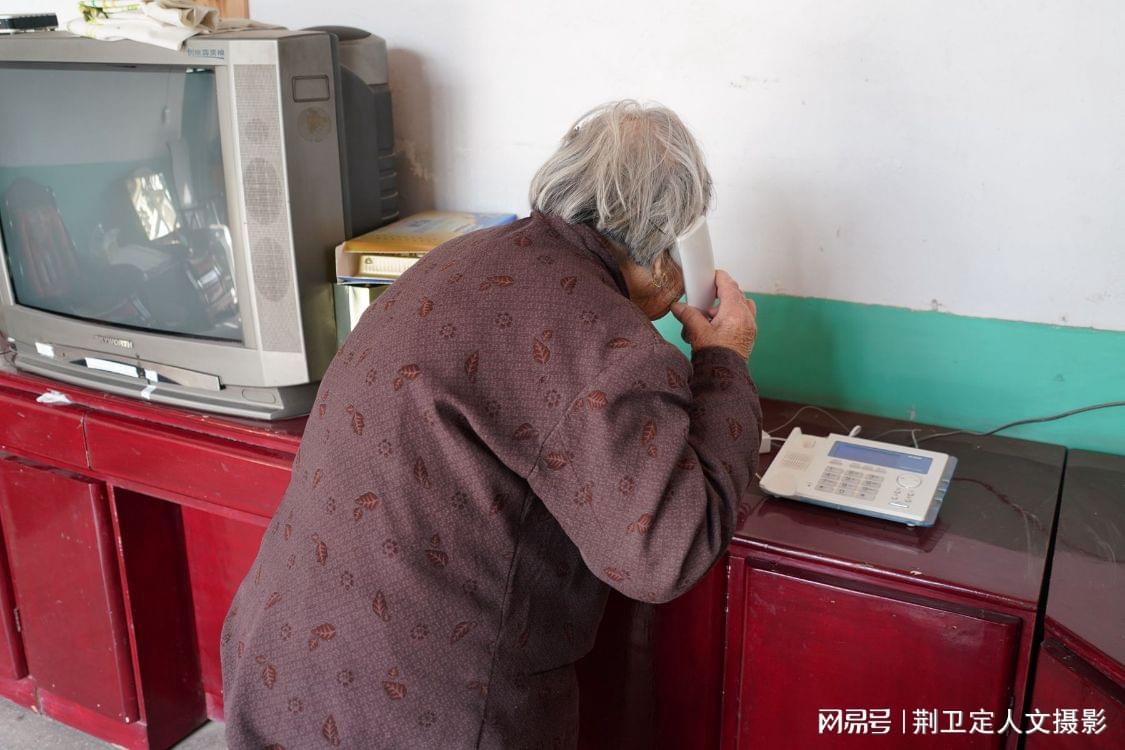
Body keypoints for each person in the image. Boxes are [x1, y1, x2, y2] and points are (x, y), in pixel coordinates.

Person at [221, 100, 761, 749]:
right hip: (421, 711)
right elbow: (664, 554)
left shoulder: (462, 256)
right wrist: (723, 363)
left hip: (277, 656)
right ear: (669, 236)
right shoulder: (608, 343)